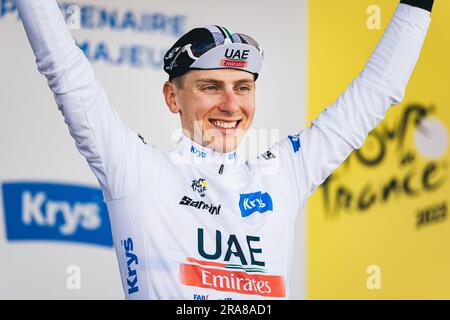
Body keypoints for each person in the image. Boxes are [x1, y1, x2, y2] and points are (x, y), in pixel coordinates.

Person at [16, 0, 434, 299]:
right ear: (172, 97)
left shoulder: (282, 173)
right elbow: (64, 71)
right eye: (211, 86)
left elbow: (377, 93)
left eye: (243, 88)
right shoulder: (136, 171)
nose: (231, 105)